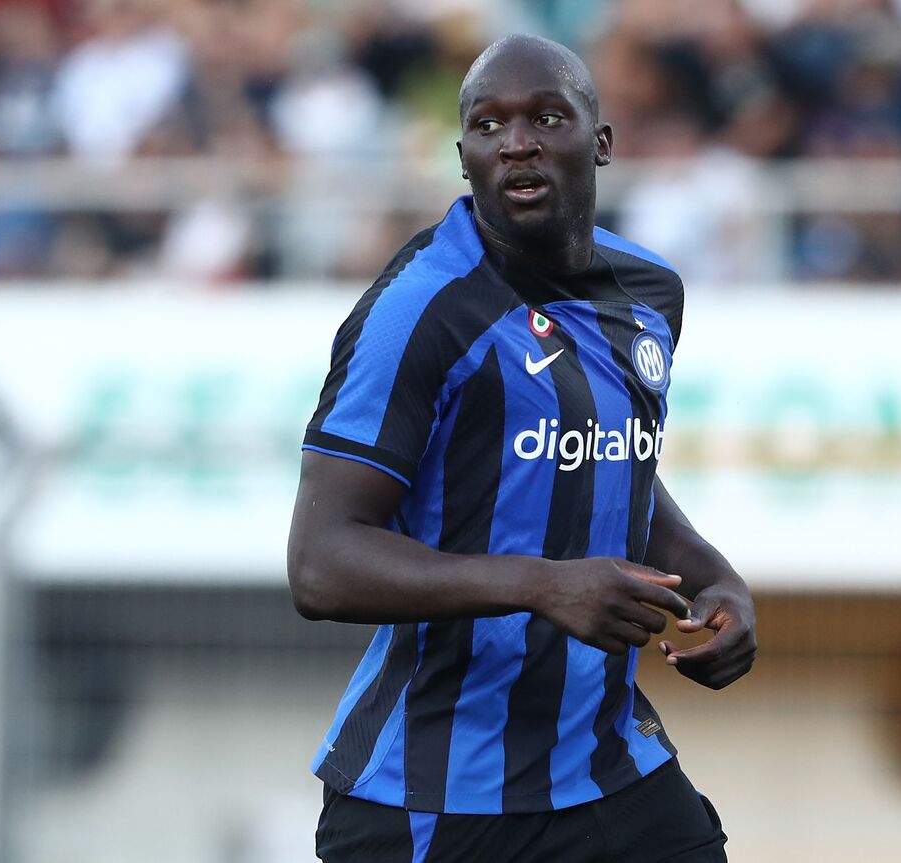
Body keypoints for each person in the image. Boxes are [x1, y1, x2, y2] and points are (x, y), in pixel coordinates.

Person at [287, 34, 756, 863]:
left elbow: (610, 463)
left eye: (546, 117)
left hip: (611, 773)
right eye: (488, 125)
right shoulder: (417, 312)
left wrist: (716, 577)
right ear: (463, 156)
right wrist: (541, 585)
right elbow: (321, 565)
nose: (517, 142)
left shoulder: (649, 293)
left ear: (600, 142)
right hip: (431, 799)